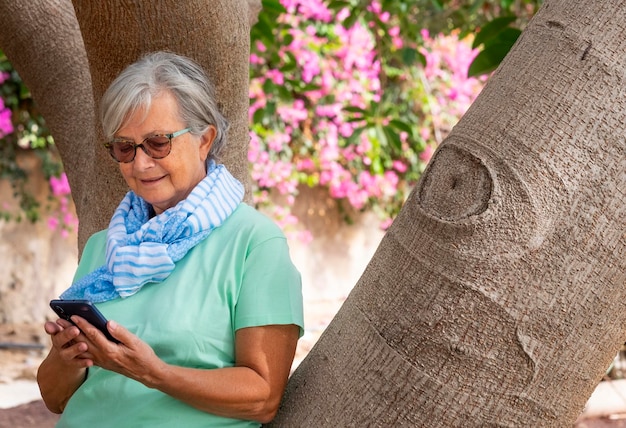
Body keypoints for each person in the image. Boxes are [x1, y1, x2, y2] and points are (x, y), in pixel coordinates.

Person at [37, 51, 304, 427]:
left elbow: (263, 397)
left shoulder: (254, 243)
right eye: (125, 148)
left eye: (158, 143)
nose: (140, 163)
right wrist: (65, 359)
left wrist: (154, 373)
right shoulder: (104, 246)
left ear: (204, 140)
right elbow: (54, 399)